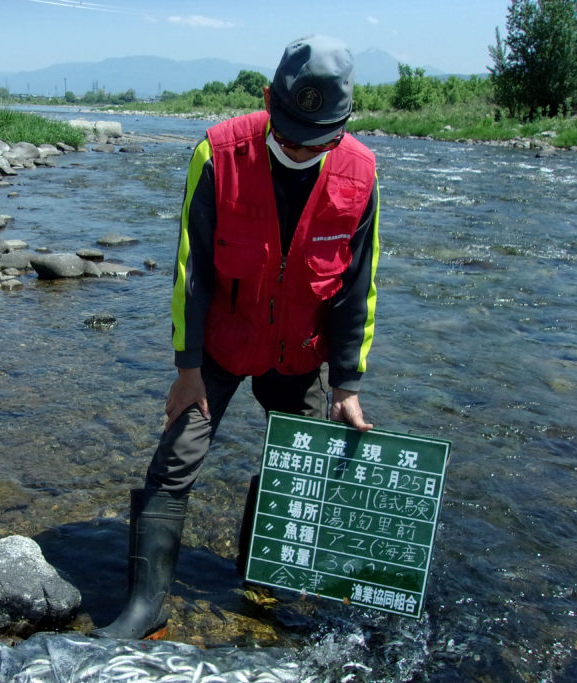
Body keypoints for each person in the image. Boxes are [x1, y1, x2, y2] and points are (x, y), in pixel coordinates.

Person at [94, 34, 381, 640]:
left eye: (318, 140)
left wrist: (347, 384)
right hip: (220, 346)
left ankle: (263, 583)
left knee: (298, 467)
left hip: (299, 352)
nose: (300, 149)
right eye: (290, 135)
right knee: (175, 460)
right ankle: (146, 604)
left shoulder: (361, 172)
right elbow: (191, 271)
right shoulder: (218, 153)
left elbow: (358, 286)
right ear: (268, 101)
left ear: (344, 123)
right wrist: (187, 368)